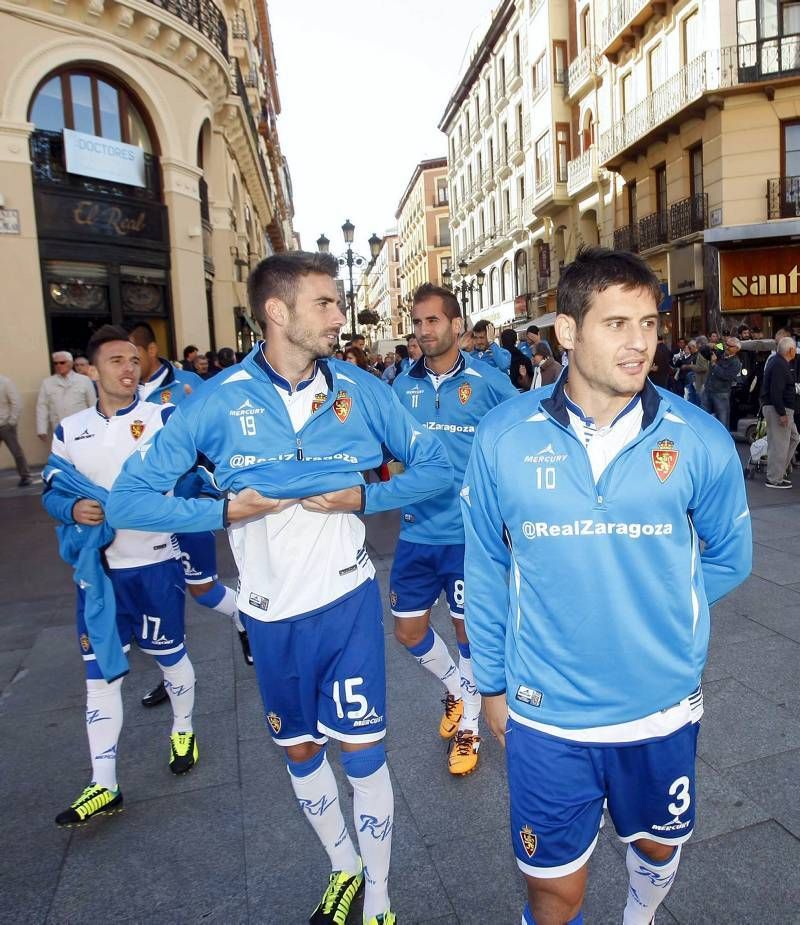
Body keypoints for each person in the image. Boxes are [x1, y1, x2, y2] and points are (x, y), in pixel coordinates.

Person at [107, 251, 453, 925]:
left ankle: (378, 895)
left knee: (363, 753)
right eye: (324, 302)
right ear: (277, 310)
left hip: (346, 602)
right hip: (268, 614)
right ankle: (343, 865)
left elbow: (436, 466)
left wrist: (367, 492)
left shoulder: (360, 389)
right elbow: (128, 500)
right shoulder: (216, 402)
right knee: (298, 749)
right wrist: (222, 511)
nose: (338, 314)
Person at [461, 246, 751, 925]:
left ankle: (639, 916)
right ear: (567, 332)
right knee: (554, 892)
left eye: (649, 323)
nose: (640, 342)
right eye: (617, 323)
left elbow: (731, 555)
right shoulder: (503, 434)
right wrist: (492, 684)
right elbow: (483, 564)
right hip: (546, 711)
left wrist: (655, 608)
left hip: (660, 707)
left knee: (656, 847)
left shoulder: (698, 439)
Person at [42, 325, 199, 828]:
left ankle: (183, 727)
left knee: (170, 658)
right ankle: (104, 784)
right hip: (101, 576)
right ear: (92, 369)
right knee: (100, 676)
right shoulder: (71, 430)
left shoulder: (165, 418)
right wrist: (73, 506)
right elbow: (52, 491)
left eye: (133, 359)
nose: (128, 368)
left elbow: (196, 472)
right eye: (116, 360)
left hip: (154, 565)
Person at [391, 283, 517, 776]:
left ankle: (469, 726)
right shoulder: (402, 386)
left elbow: (523, 427)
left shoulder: (487, 383)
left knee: (469, 635)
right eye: (418, 323)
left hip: (468, 535)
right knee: (408, 631)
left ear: (457, 325)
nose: (423, 331)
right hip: (416, 532)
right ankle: (458, 689)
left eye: (433, 321)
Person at [128, 320, 252, 706]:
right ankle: (173, 677)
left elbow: (218, 441)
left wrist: (209, 484)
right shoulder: (123, 395)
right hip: (143, 521)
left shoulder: (188, 386)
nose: (126, 368)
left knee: (202, 590)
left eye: (133, 356)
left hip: (187, 509)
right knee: (159, 603)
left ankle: (243, 616)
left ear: (150, 351)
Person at [761, 336, 799, 489]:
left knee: (794, 438)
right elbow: (776, 391)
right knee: (779, 444)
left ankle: (779, 470)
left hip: (781, 408)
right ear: (790, 350)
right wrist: (782, 413)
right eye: (795, 348)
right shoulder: (779, 365)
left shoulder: (778, 362)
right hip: (779, 409)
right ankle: (774, 478)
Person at [36, 351, 96, 442]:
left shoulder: (84, 380)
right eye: (56, 363)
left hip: (81, 427)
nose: (59, 365)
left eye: (62, 362)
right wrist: (41, 429)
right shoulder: (48, 383)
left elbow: (93, 404)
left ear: (71, 363)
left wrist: (95, 426)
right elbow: (42, 406)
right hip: (59, 427)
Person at [702, 336, 742, 429]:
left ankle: (723, 440)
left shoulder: (736, 362)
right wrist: (708, 346)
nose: (727, 347)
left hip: (721, 393)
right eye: (727, 344)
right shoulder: (722, 347)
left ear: (736, 349)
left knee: (722, 421)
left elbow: (725, 376)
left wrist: (714, 364)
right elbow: (703, 351)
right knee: (703, 416)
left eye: (730, 346)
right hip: (708, 389)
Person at [0, 373, 31, 486]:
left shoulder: (5, 382)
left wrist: (12, 421)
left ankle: (25, 476)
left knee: (16, 452)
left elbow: (16, 402)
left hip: (6, 425)